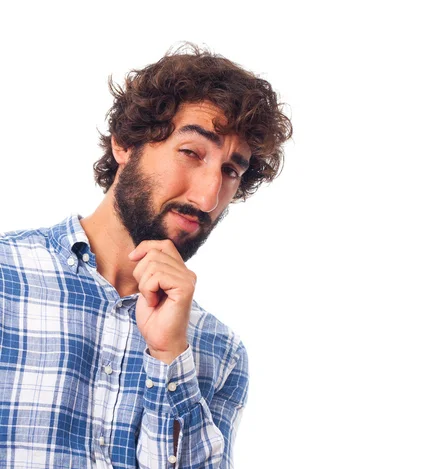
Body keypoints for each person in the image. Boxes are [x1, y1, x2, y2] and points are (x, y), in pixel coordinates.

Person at [0, 43, 292, 469]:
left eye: (231, 171)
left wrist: (171, 356)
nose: (209, 197)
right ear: (125, 144)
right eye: (192, 152)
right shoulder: (8, 278)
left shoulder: (218, 351)